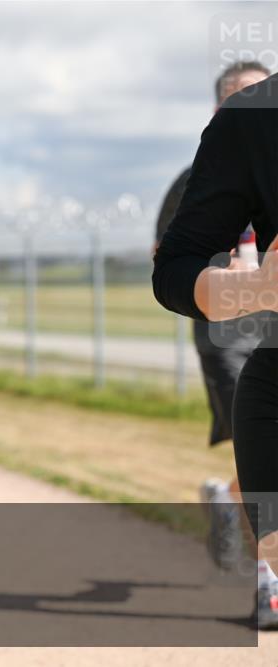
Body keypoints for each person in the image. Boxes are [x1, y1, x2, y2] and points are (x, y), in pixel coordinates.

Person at [152, 73, 278, 628]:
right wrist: (253, 287)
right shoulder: (248, 124)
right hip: (232, 336)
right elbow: (174, 263)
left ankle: (227, 498)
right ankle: (267, 589)